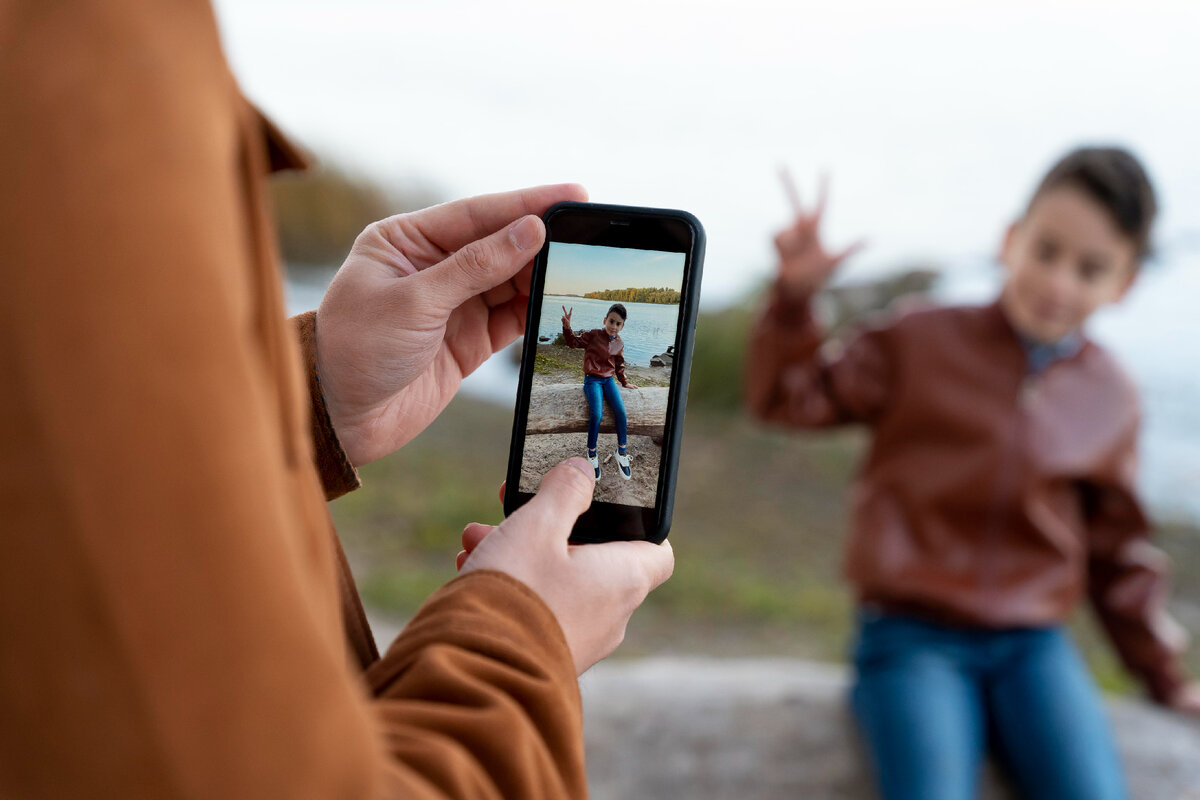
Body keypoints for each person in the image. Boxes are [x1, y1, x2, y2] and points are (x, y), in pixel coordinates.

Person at [0, 3, 673, 797]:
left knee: (614, 421)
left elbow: (60, 464)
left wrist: (306, 397)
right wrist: (523, 638)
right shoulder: (73, 45)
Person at [746, 149, 1200, 800]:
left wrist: (1165, 677)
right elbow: (787, 398)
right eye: (1047, 251)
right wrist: (793, 302)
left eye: (1091, 268)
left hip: (1034, 645)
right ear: (1011, 240)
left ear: (1123, 283)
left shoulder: (1112, 395)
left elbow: (1117, 551)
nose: (1059, 282)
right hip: (910, 633)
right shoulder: (918, 339)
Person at [560, 303, 638, 480]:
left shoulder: (619, 342)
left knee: (620, 411)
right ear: (605, 320)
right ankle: (592, 454)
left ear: (622, 326)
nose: (614, 326)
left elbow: (619, 364)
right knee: (597, 414)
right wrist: (567, 327)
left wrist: (624, 382)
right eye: (611, 321)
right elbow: (573, 343)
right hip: (593, 380)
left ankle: (621, 452)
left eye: (618, 324)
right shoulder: (594, 335)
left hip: (609, 380)